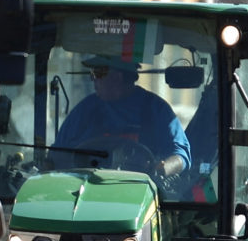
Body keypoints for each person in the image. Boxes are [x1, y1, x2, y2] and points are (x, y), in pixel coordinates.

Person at [54, 56, 192, 175]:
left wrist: (161, 169)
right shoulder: (85, 110)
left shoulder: (156, 109)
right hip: (87, 191)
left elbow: (181, 155)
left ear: (116, 77)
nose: (93, 80)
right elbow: (57, 153)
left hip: (143, 191)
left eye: (97, 73)